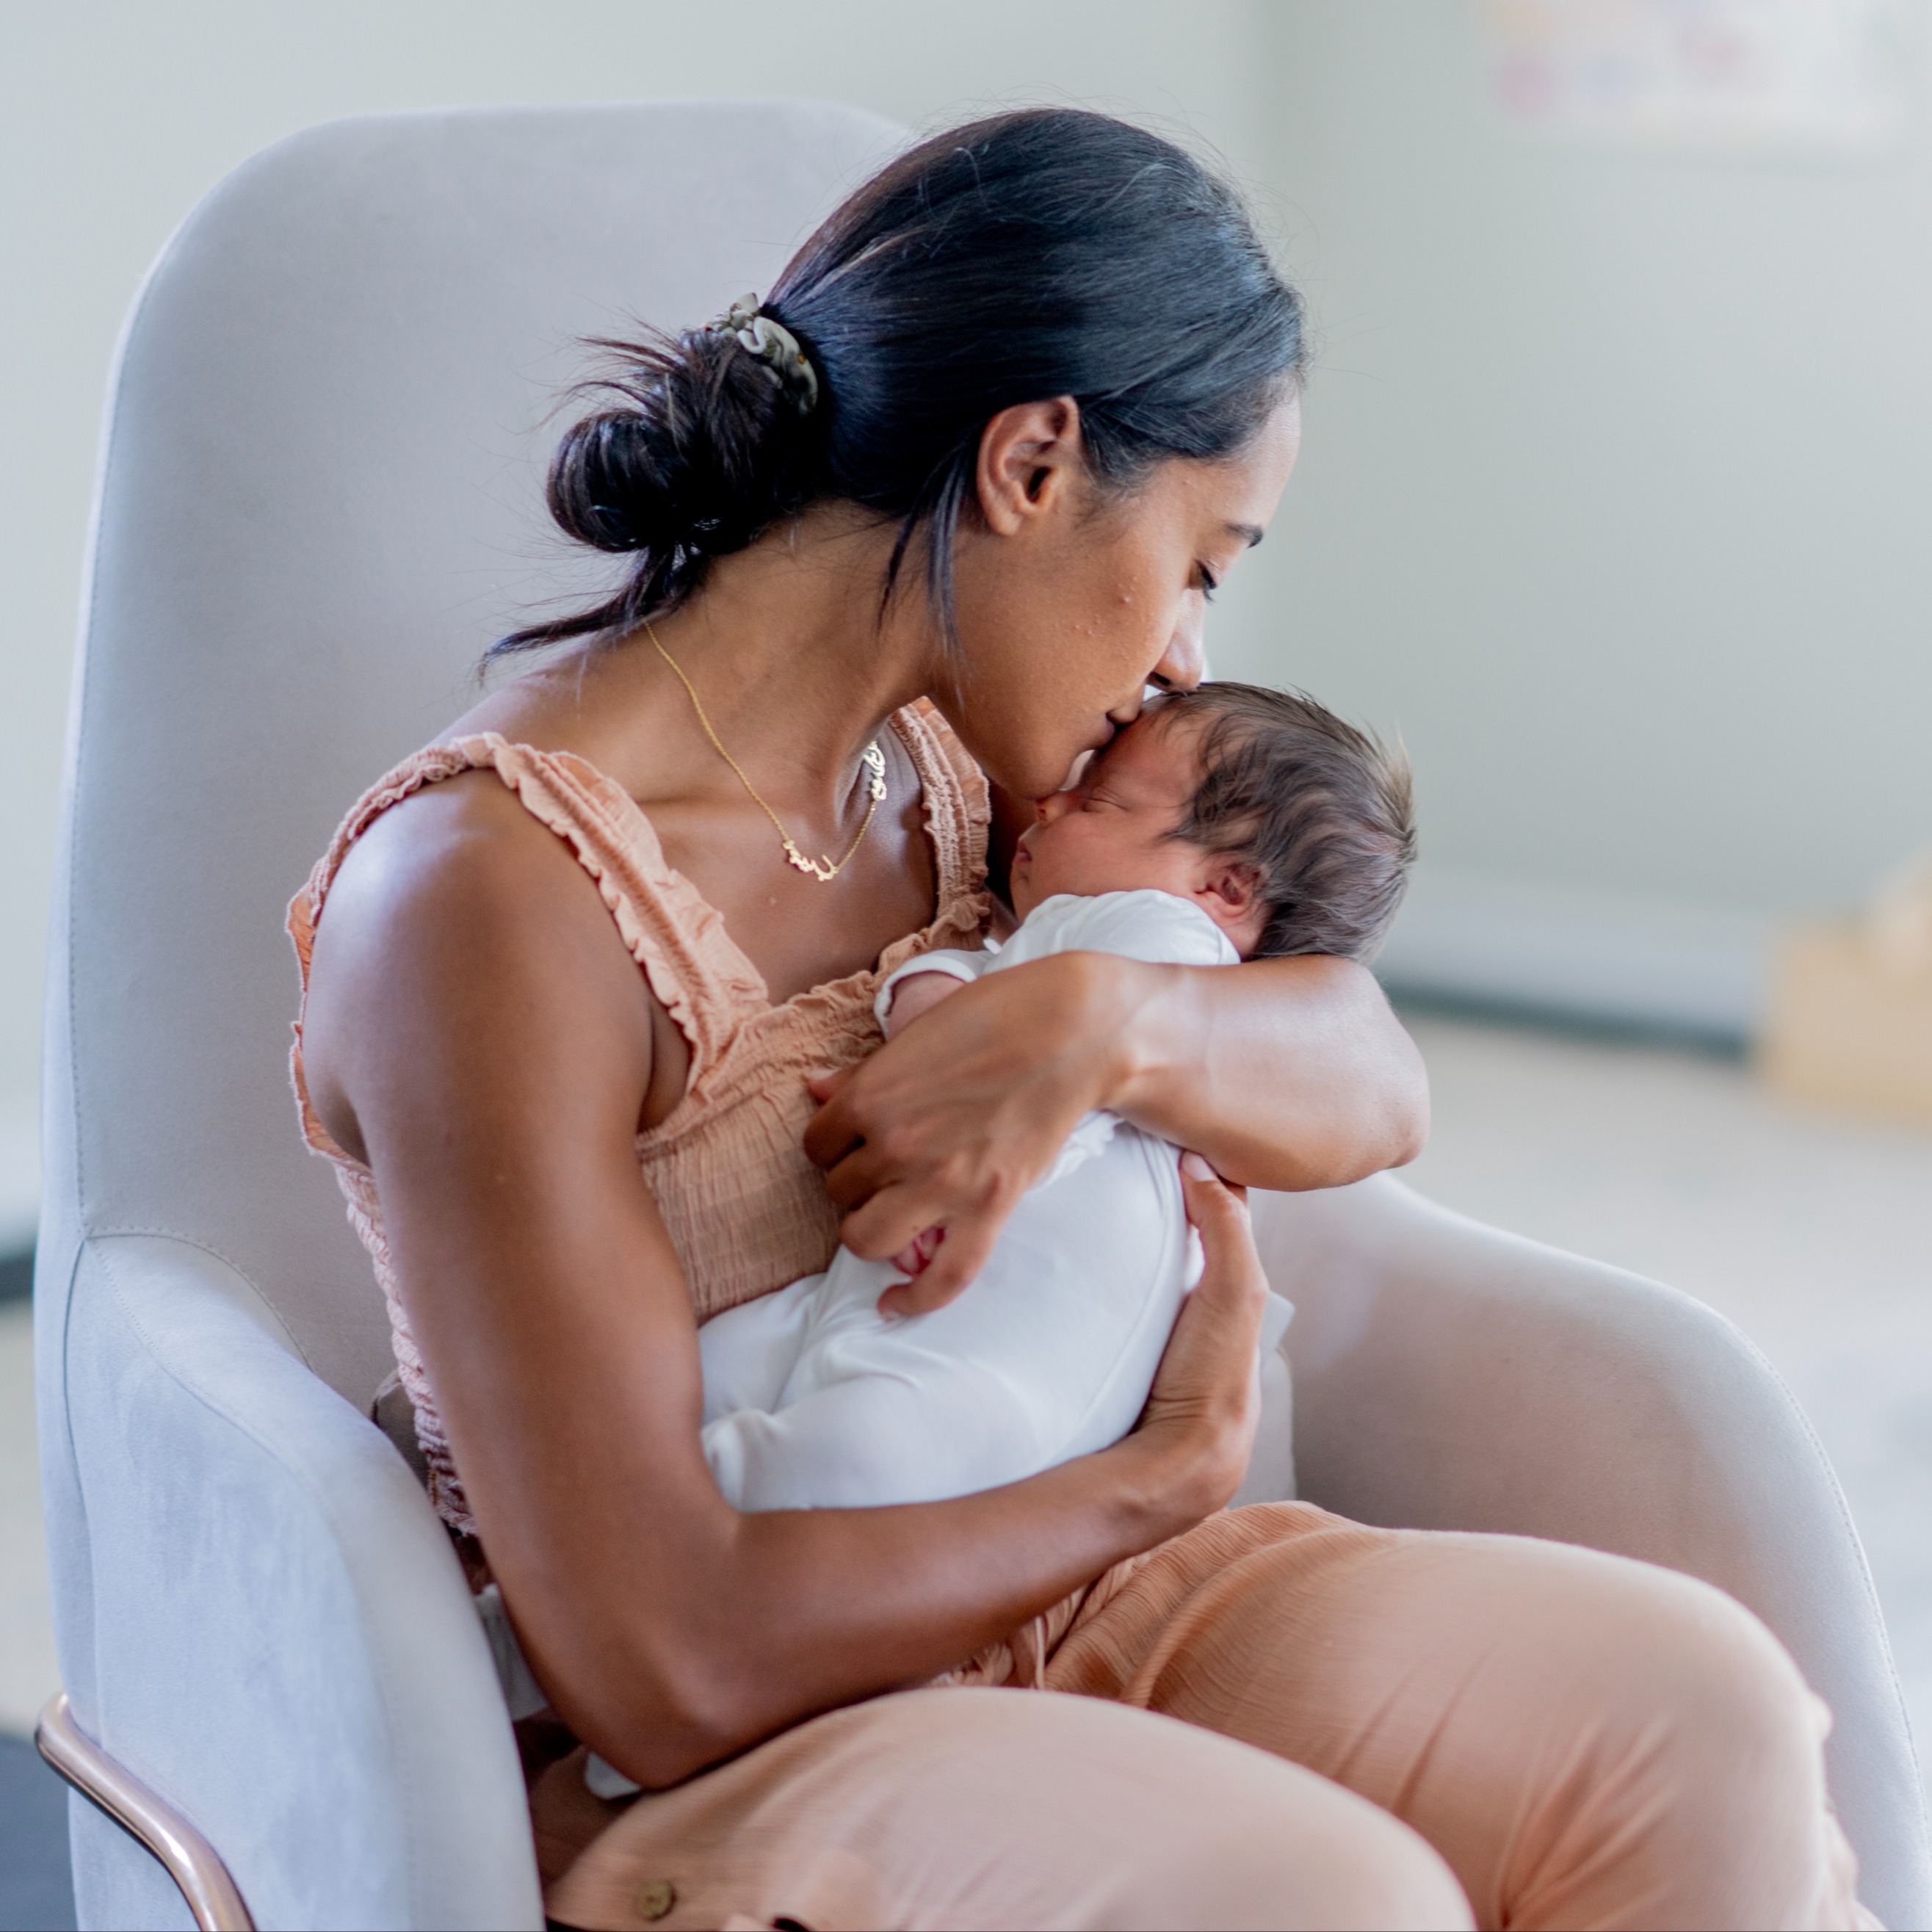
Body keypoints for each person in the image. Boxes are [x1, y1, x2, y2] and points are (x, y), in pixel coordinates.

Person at [290, 108, 1872, 1931]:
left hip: (1123, 1613)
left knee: (1700, 1705)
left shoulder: (973, 773)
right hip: (769, 1737)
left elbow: (1366, 1070)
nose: (1188, 652)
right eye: (1200, 556)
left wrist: (1107, 1025)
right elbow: (660, 1658)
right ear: (1034, 460)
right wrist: (1147, 1480)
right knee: (1323, 1893)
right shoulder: (492, 894)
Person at [690, 685, 1407, 1519]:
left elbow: (1054, 1066)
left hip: (989, 1355)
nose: (1052, 803)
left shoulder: (1163, 934)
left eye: (1098, 799)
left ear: (1227, 889)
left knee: (849, 1456)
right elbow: (995, 1001)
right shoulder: (1098, 936)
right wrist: (937, 998)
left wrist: (951, 1024)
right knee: (719, 1376)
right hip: (899, 1304)